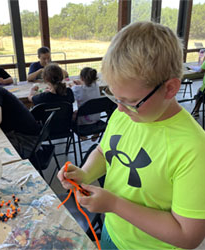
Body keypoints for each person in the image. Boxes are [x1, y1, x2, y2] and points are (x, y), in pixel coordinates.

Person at [57, 21, 205, 250]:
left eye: (131, 101)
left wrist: (115, 204)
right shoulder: (126, 113)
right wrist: (85, 173)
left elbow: (188, 236)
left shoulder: (194, 148)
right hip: (112, 232)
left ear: (170, 89)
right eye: (116, 97)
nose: (120, 109)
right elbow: (104, 151)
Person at [71, 67, 101, 141]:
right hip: (96, 119)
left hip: (82, 121)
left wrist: (73, 85)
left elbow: (73, 93)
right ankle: (97, 131)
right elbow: (88, 87)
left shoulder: (77, 89)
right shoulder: (96, 86)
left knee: (70, 115)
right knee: (88, 107)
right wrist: (81, 84)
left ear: (81, 78)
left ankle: (80, 134)